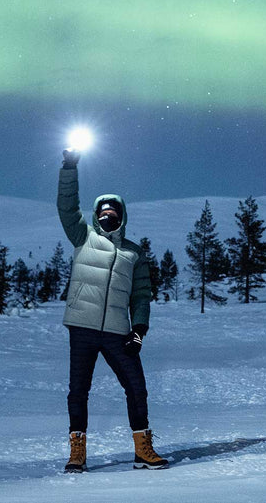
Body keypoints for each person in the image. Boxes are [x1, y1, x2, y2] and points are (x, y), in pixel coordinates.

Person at [57, 147, 168, 472]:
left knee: (136, 387)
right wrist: (69, 167)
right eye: (103, 212)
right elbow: (67, 207)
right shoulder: (83, 237)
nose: (108, 216)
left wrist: (139, 329)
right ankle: (77, 451)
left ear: (121, 216)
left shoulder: (134, 254)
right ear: (96, 216)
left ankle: (142, 449)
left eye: (113, 212)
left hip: (119, 332)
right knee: (78, 390)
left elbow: (142, 295)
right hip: (82, 327)